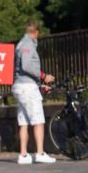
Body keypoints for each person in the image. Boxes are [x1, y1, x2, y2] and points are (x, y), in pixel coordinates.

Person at [12, 21, 56, 165]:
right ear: (35, 33)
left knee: (24, 122)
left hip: (22, 86)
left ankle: (23, 155)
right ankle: (40, 153)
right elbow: (26, 65)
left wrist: (39, 85)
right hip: (26, 88)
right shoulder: (27, 44)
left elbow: (22, 69)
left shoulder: (20, 44)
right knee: (38, 120)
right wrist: (43, 76)